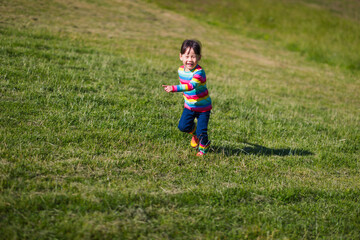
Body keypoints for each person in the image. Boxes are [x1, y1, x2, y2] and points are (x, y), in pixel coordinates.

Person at [162, 39, 212, 156]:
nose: (190, 60)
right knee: (183, 126)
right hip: (189, 106)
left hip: (203, 107)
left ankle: (203, 148)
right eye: (187, 56)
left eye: (193, 57)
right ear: (181, 56)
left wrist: (173, 88)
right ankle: (194, 134)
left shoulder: (199, 72)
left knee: (202, 131)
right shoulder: (180, 70)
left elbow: (191, 86)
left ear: (199, 57)